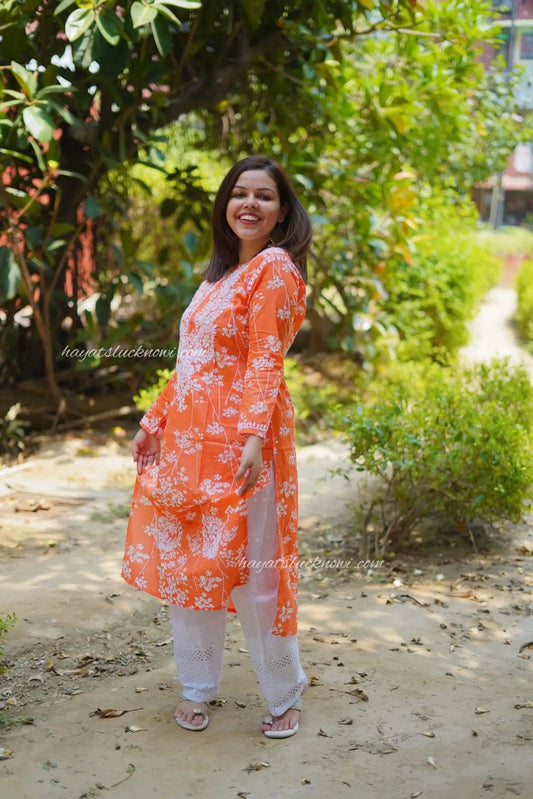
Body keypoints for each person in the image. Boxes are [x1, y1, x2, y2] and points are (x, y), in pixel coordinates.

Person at [122, 154, 312, 738]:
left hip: (241, 445)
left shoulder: (275, 268)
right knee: (192, 565)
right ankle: (197, 686)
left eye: (264, 196)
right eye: (239, 193)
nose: (248, 204)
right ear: (225, 205)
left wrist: (253, 435)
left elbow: (264, 361)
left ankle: (284, 695)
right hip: (187, 444)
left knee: (255, 573)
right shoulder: (218, 276)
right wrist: (155, 420)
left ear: (281, 214)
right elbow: (192, 364)